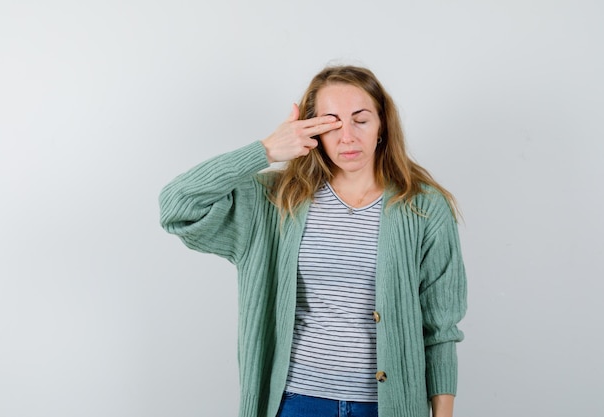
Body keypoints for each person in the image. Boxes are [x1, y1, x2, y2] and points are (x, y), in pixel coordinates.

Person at [159, 65, 467, 417]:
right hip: (296, 402)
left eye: (361, 120)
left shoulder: (423, 206)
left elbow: (440, 327)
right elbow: (178, 205)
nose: (347, 136)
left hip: (389, 405)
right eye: (332, 122)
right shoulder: (276, 201)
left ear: (382, 125)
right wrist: (266, 150)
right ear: (311, 130)